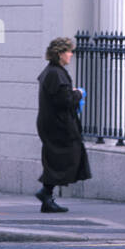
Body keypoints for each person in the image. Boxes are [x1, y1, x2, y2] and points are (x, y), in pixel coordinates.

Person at [35, 37, 90, 213]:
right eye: (68, 51)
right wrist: (79, 94)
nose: (71, 54)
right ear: (59, 54)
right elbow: (64, 100)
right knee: (65, 157)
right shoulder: (55, 73)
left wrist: (71, 93)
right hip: (58, 126)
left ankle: (47, 196)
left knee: (57, 158)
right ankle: (45, 193)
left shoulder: (54, 71)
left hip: (53, 124)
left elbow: (60, 95)